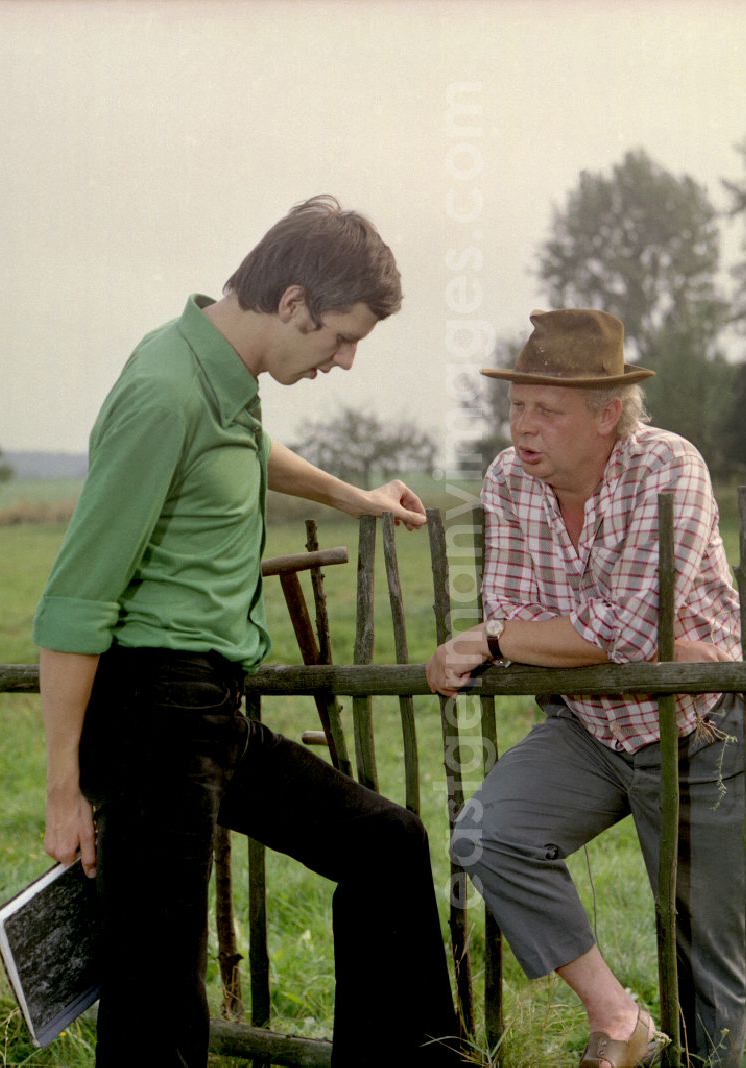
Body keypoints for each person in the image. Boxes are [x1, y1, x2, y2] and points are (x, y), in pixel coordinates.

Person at [34, 196, 464, 1067]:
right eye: (340, 338)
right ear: (295, 301)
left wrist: (355, 497)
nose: (342, 361)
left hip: (211, 712)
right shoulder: (163, 389)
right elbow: (75, 600)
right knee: (156, 999)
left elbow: (246, 449)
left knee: (386, 846)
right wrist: (62, 787)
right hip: (154, 714)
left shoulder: (223, 380)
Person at [426, 309, 746, 1068]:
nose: (525, 427)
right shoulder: (507, 478)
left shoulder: (667, 468)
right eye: (517, 406)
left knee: (704, 962)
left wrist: (499, 641)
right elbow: (524, 616)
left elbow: (614, 626)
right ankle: (619, 1019)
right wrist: (581, 637)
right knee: (488, 837)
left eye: (547, 411)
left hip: (698, 728)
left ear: (607, 413)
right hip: (589, 727)